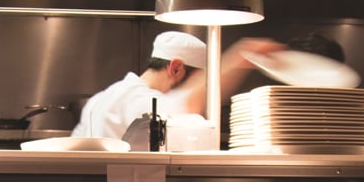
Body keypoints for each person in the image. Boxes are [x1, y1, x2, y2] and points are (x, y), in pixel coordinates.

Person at [71, 31, 283, 140]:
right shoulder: (138, 99)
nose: (201, 88)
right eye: (198, 81)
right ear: (175, 68)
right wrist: (243, 56)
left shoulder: (101, 98)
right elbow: (187, 103)